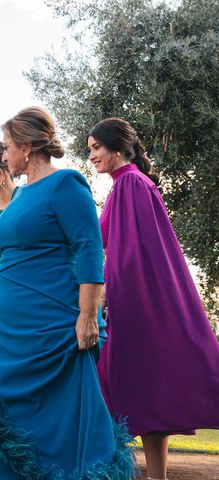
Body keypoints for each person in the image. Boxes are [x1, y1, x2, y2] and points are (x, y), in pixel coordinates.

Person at [0, 107, 136, 479]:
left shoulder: (66, 184)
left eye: (7, 147)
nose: (4, 155)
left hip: (51, 327)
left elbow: (89, 248)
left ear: (26, 146)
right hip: (8, 327)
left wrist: (87, 315)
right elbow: (12, 255)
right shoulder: (21, 195)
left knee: (60, 430)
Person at [88, 117, 219, 480]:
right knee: (148, 395)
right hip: (143, 305)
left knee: (109, 389)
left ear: (117, 148)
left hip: (137, 309)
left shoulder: (130, 184)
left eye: (97, 148)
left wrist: (103, 296)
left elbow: (128, 255)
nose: (92, 156)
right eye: (90, 150)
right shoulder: (128, 184)